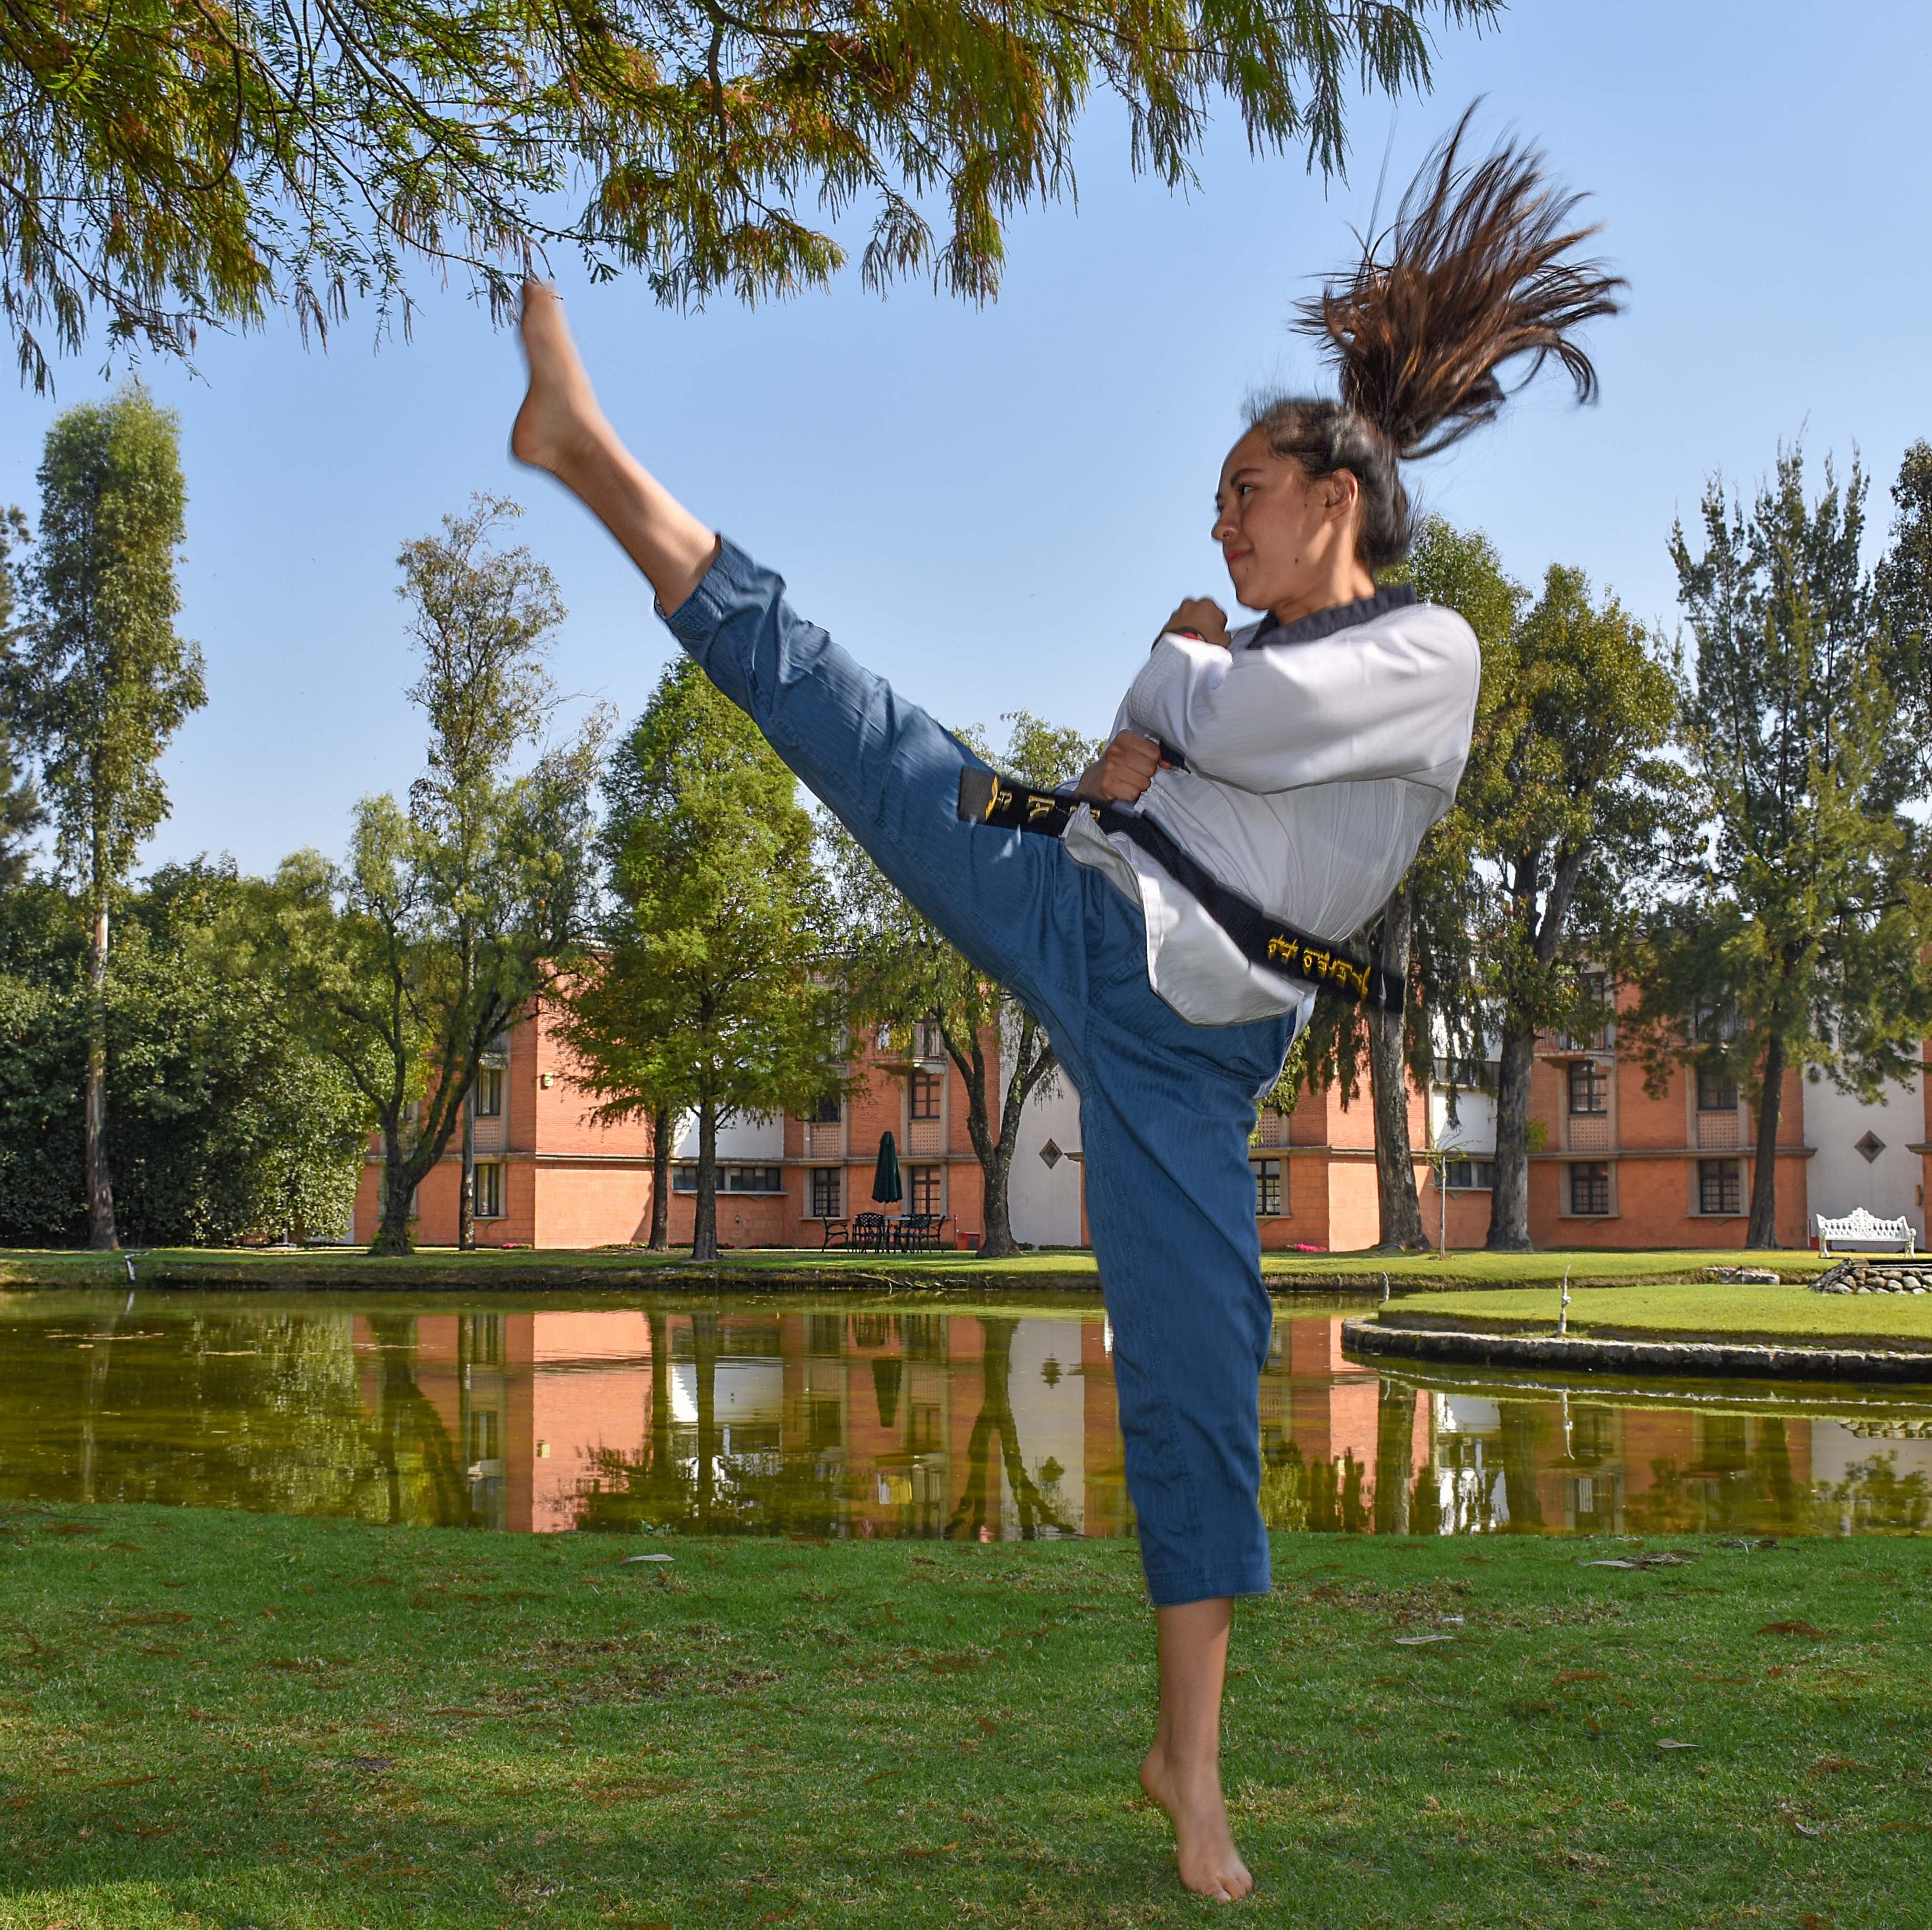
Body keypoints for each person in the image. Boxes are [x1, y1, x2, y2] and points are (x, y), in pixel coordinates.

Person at [509, 116, 1620, 1901]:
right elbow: (1144, 785)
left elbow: (1214, 728)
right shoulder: (1245, 656)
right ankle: (595, 458)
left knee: (1200, 1373)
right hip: (1080, 915)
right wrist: (1138, 754)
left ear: (1334, 498)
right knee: (852, 726)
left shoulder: (1433, 654)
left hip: (1201, 1058)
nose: (1222, 522)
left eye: (1244, 494)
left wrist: (1173, 679)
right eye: (1216, 508)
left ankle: (1188, 1765)